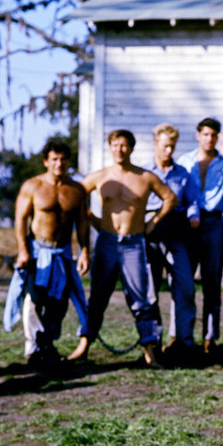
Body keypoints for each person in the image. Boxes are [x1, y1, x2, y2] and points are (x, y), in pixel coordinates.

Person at [68, 129, 177, 367]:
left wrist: (152, 222)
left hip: (134, 243)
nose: (120, 150)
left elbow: (170, 198)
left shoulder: (144, 177)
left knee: (140, 298)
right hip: (106, 241)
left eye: (124, 145)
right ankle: (84, 344)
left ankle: (149, 349)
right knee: (98, 296)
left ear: (132, 148)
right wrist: (93, 220)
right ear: (110, 147)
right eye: (115, 145)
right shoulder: (101, 176)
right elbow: (76, 195)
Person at [3, 140, 90, 368]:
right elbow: (20, 219)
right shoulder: (33, 186)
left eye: (63, 159)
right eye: (54, 159)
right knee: (34, 299)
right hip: (37, 252)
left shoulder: (77, 190)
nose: (59, 163)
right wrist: (22, 250)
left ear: (69, 161)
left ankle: (48, 344)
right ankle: (33, 349)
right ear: (46, 161)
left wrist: (84, 251)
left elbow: (82, 222)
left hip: (62, 253)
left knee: (59, 302)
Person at [177, 117, 223, 356]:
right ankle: (181, 335)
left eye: (214, 135)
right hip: (189, 224)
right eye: (206, 134)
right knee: (183, 283)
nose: (209, 139)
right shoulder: (185, 161)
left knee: (212, 284)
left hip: (213, 223)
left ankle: (210, 338)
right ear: (198, 135)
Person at [145, 123, 200, 362]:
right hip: (150, 233)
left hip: (176, 233)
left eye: (173, 146)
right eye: (165, 145)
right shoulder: (144, 173)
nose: (169, 151)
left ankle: (184, 341)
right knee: (150, 290)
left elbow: (191, 200)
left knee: (185, 287)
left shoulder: (182, 173)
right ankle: (152, 343)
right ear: (156, 144)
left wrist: (193, 215)